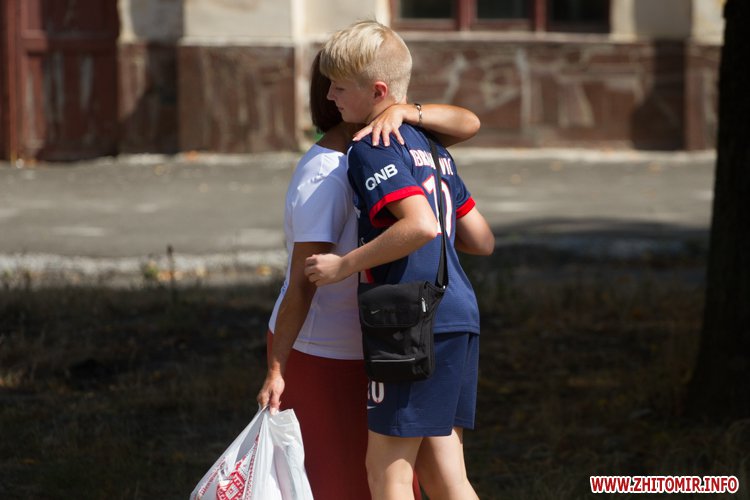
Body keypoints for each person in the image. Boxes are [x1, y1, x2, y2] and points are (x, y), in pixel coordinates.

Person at [256, 49, 481, 499]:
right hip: (388, 333)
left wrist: (277, 366)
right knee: (440, 475)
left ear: (375, 91)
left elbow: (307, 278)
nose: (333, 95)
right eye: (332, 86)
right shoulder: (403, 151)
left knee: (386, 477)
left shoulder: (372, 151)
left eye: (340, 86)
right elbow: (480, 237)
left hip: (386, 334)